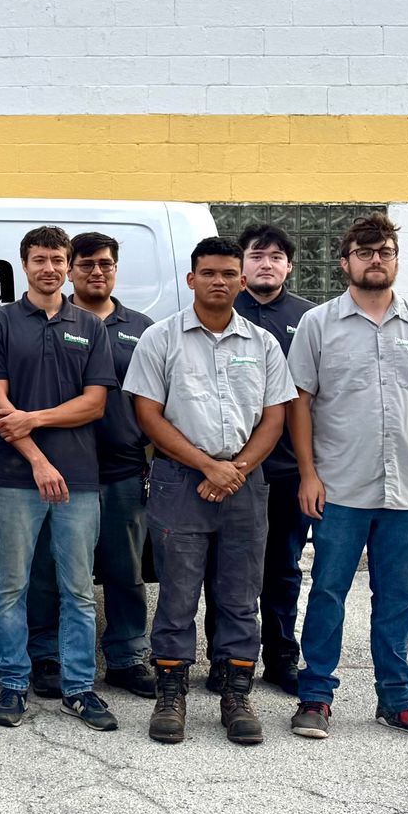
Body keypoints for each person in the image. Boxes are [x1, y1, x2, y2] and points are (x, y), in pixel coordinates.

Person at [288, 212, 408, 745]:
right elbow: (300, 403)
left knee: (398, 595)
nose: (375, 261)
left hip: (407, 490)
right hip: (340, 488)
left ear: (395, 259)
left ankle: (398, 701)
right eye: (364, 253)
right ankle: (316, 697)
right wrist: (307, 474)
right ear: (345, 262)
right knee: (327, 591)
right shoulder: (319, 325)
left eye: (384, 252)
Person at [124, 236, 295, 746]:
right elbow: (148, 415)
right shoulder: (161, 338)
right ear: (190, 279)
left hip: (245, 481)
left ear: (242, 281)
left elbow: (275, 415)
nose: (218, 281)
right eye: (208, 273)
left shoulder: (261, 345)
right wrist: (205, 466)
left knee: (242, 595)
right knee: (177, 594)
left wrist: (236, 468)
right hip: (180, 481)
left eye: (228, 273)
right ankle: (170, 695)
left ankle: (236, 694)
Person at [0, 226, 119, 732]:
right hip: (15, 477)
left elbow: (95, 403)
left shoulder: (90, 326)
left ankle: (79, 689)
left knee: (78, 589)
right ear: (24, 264)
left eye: (58, 259)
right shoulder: (0, 323)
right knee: (11, 586)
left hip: (79, 478)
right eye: (39, 259)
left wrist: (33, 419)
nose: (50, 268)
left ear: (68, 264)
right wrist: (38, 459)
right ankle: (13, 684)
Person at [25, 231, 157, 698]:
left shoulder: (143, 328)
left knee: (124, 569)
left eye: (105, 264)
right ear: (69, 270)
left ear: (116, 269)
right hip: (57, 468)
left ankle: (126, 656)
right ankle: (46, 655)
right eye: (86, 264)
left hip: (121, 469)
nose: (96, 271)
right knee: (46, 568)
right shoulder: (51, 323)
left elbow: (158, 399)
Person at [229, 222, 318, 695]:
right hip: (227, 467)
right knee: (227, 566)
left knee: (282, 567)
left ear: (289, 265)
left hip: (285, 469)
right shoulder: (220, 308)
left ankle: (282, 656)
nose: (267, 264)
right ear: (241, 264)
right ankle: (228, 657)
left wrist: (312, 469)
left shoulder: (310, 319)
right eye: (257, 255)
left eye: (276, 257)